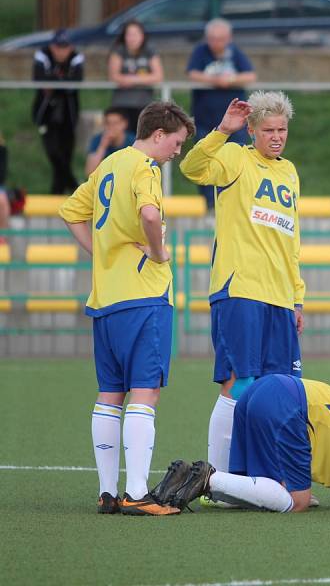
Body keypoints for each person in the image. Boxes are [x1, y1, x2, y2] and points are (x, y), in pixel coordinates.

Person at [58, 101, 195, 516]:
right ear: (158, 134)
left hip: (105, 299)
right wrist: (158, 253)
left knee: (109, 393)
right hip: (143, 297)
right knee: (145, 391)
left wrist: (100, 256)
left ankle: (107, 492)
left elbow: (70, 212)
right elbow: (150, 214)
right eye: (176, 142)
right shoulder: (144, 168)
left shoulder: (107, 165)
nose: (176, 152)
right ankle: (136, 492)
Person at [179, 92, 304, 479]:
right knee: (241, 381)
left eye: (282, 129)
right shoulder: (234, 158)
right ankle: (217, 480)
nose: (277, 136)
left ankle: (268, 477)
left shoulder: (290, 172)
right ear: (252, 131)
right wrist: (221, 131)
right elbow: (191, 167)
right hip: (240, 290)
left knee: (279, 390)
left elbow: (292, 239)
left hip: (280, 296)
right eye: (268, 130)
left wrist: (297, 298)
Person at [150, 374, 330, 514]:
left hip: (269, 389)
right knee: (299, 501)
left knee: (259, 488)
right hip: (292, 406)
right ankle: (207, 477)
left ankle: (196, 480)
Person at [186, 18, 256, 209]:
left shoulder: (235, 53)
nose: (217, 43)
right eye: (213, 39)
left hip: (236, 122)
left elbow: (250, 75)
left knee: (236, 158)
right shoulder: (201, 52)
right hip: (205, 119)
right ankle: (210, 202)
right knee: (204, 158)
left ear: (229, 38)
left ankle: (234, 198)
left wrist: (230, 79)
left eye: (221, 39)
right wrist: (215, 80)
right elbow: (192, 73)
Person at [32, 28, 84, 195]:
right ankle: (76, 188)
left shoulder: (76, 57)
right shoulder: (42, 55)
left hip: (68, 114)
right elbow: (40, 82)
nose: (61, 52)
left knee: (66, 154)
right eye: (57, 47)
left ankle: (57, 194)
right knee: (54, 154)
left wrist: (54, 83)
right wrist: (61, 82)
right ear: (52, 47)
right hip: (46, 114)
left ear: (70, 47)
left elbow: (73, 85)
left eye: (65, 47)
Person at [108, 20, 164, 131]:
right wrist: (145, 79)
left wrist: (131, 79)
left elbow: (158, 76)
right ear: (124, 36)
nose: (132, 38)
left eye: (136, 34)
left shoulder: (149, 50)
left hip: (144, 103)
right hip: (121, 103)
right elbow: (114, 76)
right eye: (129, 34)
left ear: (142, 36)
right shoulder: (118, 51)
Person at [84, 107, 136, 176]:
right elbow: (89, 172)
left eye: (115, 123)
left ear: (125, 124)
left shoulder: (134, 141)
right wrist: (102, 146)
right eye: (108, 123)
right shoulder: (98, 140)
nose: (111, 127)